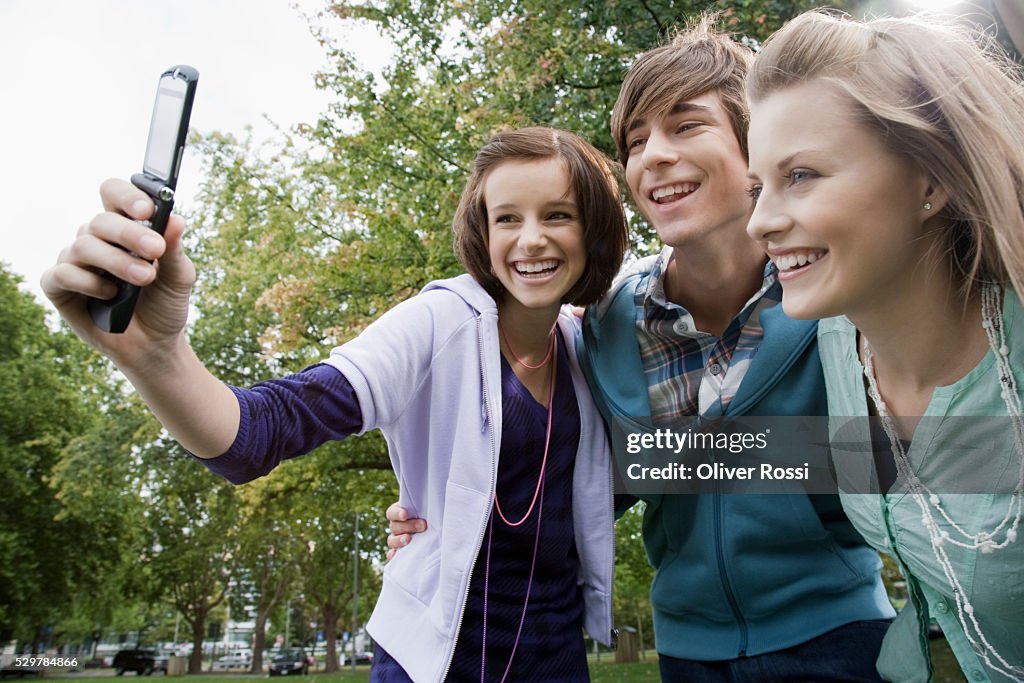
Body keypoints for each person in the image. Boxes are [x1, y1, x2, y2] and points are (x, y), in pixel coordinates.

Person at [390, 16, 897, 682]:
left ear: (758, 147)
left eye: (686, 126)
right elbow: (580, 484)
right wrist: (446, 513)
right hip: (689, 652)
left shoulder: (835, 296)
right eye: (635, 141)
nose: (652, 154)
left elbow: (932, 455)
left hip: (840, 634)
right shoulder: (603, 326)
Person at [41, 126, 629, 683]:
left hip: (555, 655)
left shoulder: (589, 346)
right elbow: (262, 432)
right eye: (507, 218)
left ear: (594, 230)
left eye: (558, 215)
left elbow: (612, 487)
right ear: (484, 232)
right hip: (433, 659)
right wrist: (157, 357)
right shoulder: (438, 322)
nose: (531, 238)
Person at [745, 10, 1024, 683]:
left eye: (803, 175)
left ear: (931, 182)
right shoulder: (836, 339)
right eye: (759, 186)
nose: (760, 221)